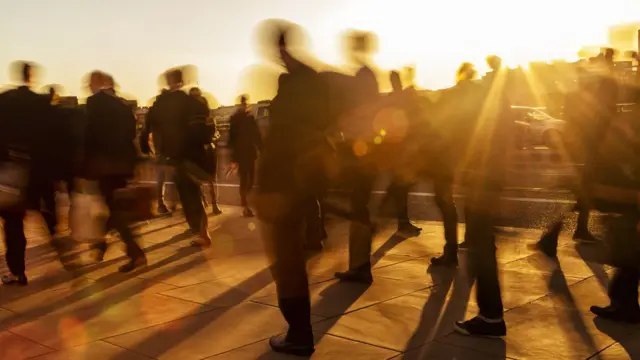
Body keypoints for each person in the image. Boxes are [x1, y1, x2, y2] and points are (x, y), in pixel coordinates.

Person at [256, 24, 330, 356]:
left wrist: (264, 184)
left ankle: (299, 333)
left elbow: (281, 140)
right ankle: (299, 330)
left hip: (285, 182)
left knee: (286, 260)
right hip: (303, 179)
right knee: (291, 257)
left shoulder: (293, 85)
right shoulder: (312, 80)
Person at [452, 60, 509, 337]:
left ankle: (491, 317)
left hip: (483, 183)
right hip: (486, 181)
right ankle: (490, 314)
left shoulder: (490, 112)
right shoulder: (498, 108)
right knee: (481, 246)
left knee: (481, 248)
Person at [141, 68, 212, 247]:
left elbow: (148, 124)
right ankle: (201, 231)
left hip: (176, 156)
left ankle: (202, 232)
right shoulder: (191, 102)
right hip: (193, 155)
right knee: (193, 192)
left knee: (188, 194)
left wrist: (146, 146)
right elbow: (203, 121)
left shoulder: (162, 104)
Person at [84, 71, 146, 272]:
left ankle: (134, 253)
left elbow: (90, 137)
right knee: (116, 207)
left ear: (97, 83)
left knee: (114, 209)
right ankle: (103, 244)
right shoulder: (123, 105)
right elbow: (130, 134)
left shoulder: (94, 103)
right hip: (125, 164)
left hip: (105, 165)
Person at [0, 61, 55, 285]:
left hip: (6, 166)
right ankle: (19, 269)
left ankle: (17, 270)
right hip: (33, 168)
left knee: (11, 222)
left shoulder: (5, 100)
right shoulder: (41, 104)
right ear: (32, 77)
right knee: (20, 218)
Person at [334, 31, 381, 285]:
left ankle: (361, 267)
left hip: (363, 154)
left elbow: (359, 114)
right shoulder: (367, 75)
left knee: (358, 207)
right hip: (366, 152)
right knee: (358, 206)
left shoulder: (363, 76)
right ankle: (359, 265)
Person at [189, 87, 222, 215]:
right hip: (206, 148)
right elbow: (214, 132)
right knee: (209, 179)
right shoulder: (205, 117)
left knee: (201, 180)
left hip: (198, 149)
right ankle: (213, 204)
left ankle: (207, 203)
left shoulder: (190, 118)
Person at [228, 94, 262, 217]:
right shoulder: (242, 119)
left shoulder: (244, 119)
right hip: (244, 153)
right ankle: (245, 205)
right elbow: (256, 135)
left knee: (248, 180)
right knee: (247, 179)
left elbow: (256, 135)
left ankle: (245, 201)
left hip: (245, 153)